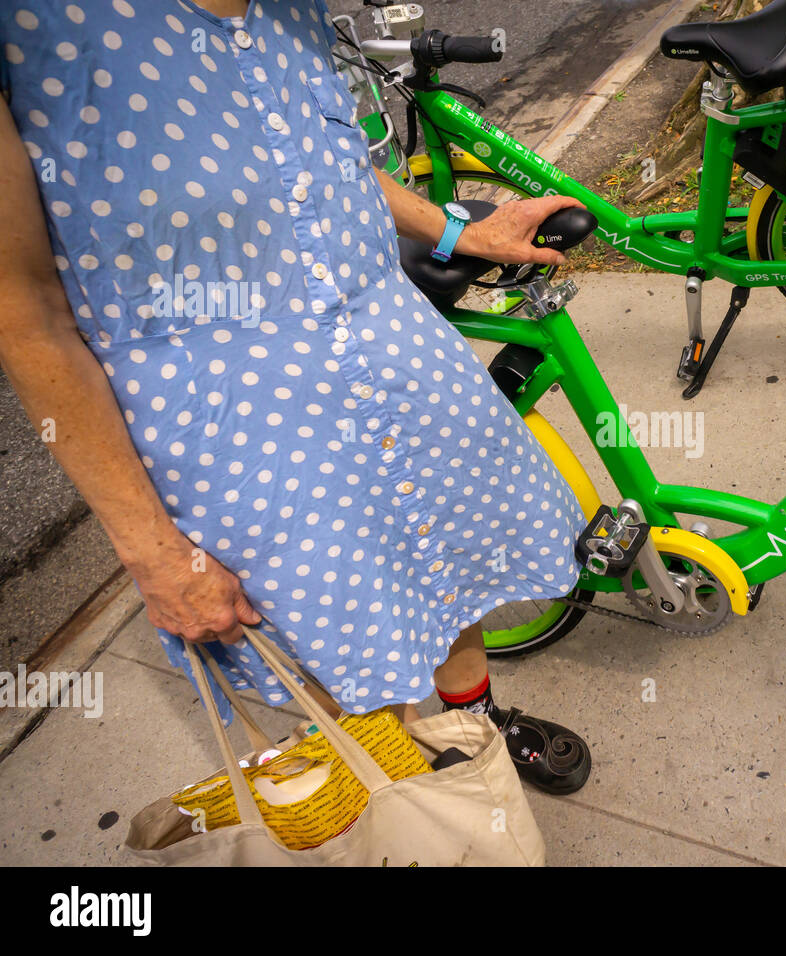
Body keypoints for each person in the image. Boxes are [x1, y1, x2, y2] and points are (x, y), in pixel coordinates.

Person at [0, 0, 591, 794]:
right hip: (243, 435)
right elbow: (25, 314)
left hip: (397, 352)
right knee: (327, 648)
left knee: (450, 586)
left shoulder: (294, 13)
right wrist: (152, 551)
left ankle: (470, 739)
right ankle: (394, 796)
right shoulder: (35, 24)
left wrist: (456, 232)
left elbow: (322, 160)